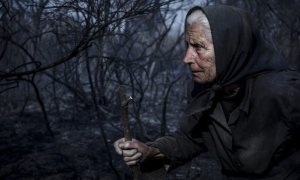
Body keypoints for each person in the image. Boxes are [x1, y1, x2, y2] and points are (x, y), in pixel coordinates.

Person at [114, 5, 300, 179]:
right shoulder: (205, 89)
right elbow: (190, 138)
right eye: (187, 45)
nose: (187, 58)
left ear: (229, 48)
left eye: (198, 47)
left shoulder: (284, 91)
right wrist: (150, 151)